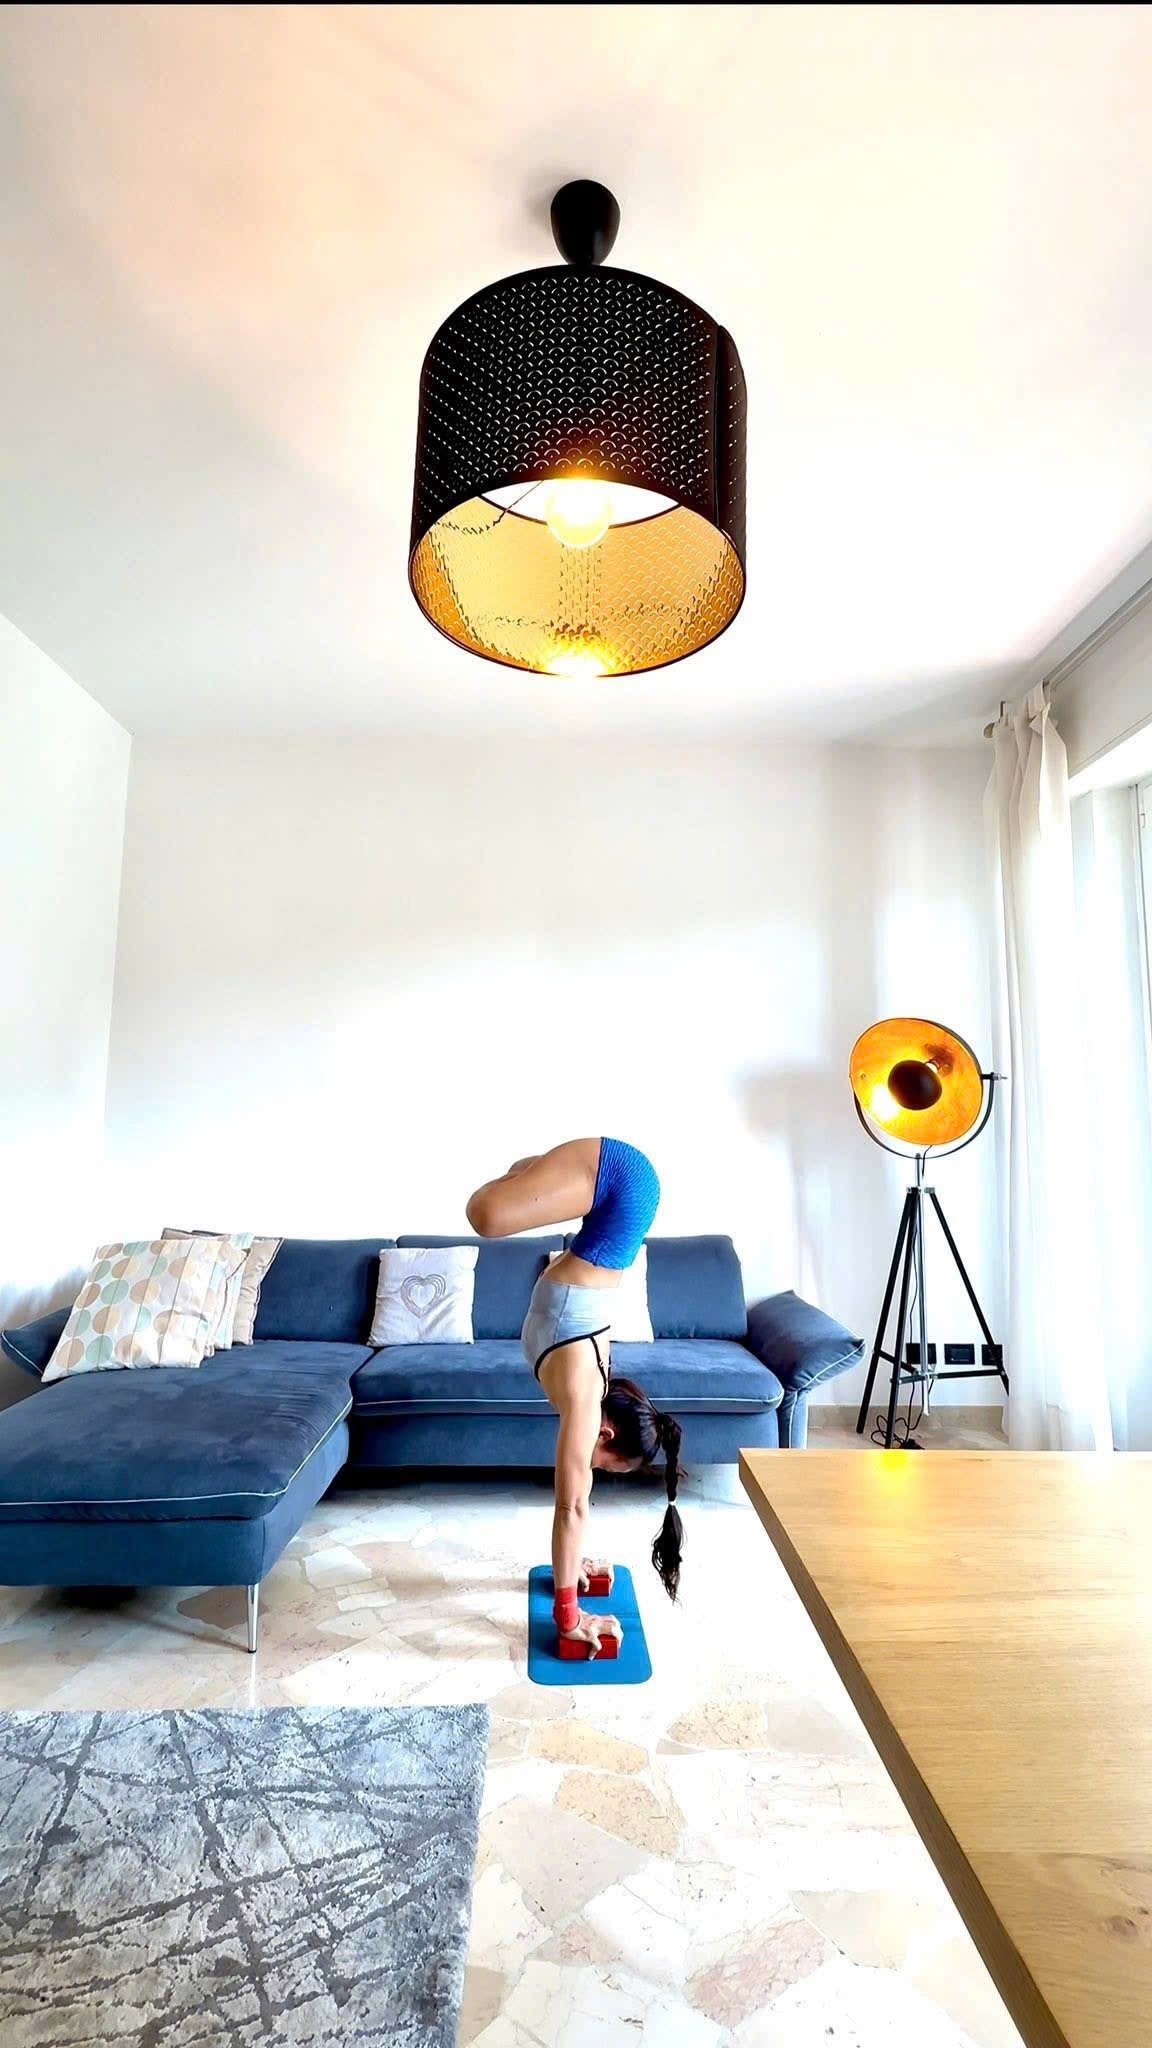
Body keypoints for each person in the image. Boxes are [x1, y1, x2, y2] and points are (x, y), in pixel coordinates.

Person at [466, 1137, 683, 1658]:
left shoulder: (594, 1386)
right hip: (624, 1185)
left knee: (507, 1196)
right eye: (608, 1465)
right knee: (484, 1215)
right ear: (607, 1433)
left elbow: (577, 1507)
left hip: (621, 1198)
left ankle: (538, 1170)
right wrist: (569, 1617)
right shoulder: (586, 1400)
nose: (595, 1470)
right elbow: (572, 1507)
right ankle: (536, 1169)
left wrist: (575, 1563)